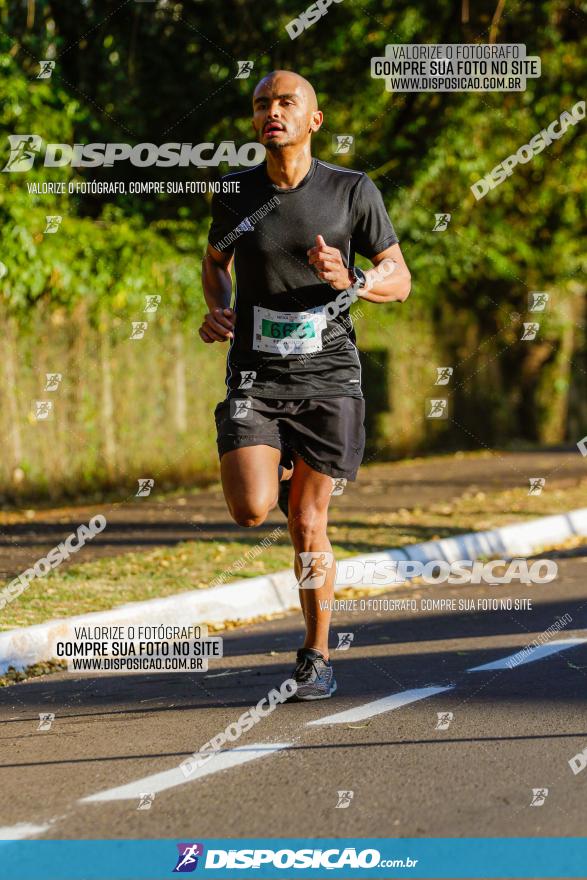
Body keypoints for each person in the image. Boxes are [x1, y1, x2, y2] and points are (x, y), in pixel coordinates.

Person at [199, 70, 411, 699]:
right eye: (263, 103)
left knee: (307, 521)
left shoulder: (352, 191)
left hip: (327, 373)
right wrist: (218, 306)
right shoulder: (234, 193)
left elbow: (399, 278)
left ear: (313, 119)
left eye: (287, 102)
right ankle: (281, 458)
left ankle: (316, 653)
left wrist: (353, 279)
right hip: (256, 372)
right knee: (249, 510)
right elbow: (215, 264)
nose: (273, 111)